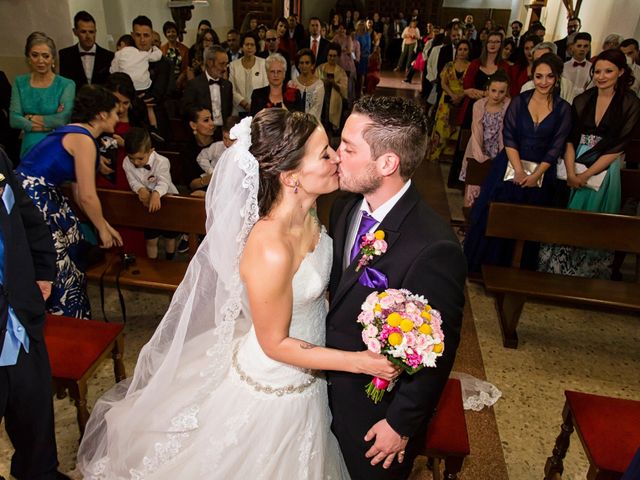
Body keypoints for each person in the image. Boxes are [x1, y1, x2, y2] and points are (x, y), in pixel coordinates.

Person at [77, 109, 399, 478]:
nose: (337, 157)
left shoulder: (309, 216)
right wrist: (359, 361)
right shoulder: (270, 246)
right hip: (276, 384)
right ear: (291, 176)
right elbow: (275, 343)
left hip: (311, 375)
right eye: (325, 153)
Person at [327, 95, 466, 479]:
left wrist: (401, 424)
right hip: (325, 387)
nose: (336, 155)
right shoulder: (344, 207)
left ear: (387, 163)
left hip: (374, 416)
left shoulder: (433, 246)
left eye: (349, 148)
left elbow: (438, 348)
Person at [15, 85, 123, 318]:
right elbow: (86, 194)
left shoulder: (73, 132)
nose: (118, 117)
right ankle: (66, 320)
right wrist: (102, 230)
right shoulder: (83, 139)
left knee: (71, 247)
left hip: (34, 195)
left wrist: (104, 224)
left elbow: (78, 194)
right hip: (36, 199)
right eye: (115, 112)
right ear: (101, 114)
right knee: (60, 266)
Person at [464, 53, 572, 273]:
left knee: (529, 224)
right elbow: (510, 135)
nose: (543, 82)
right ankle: (488, 267)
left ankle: (519, 271)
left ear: (557, 78)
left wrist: (536, 175)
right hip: (510, 165)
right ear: (532, 75)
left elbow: (556, 146)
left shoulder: (563, 109)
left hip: (542, 170)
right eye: (539, 76)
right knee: (497, 217)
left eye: (549, 77)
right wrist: (519, 170)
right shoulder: (520, 101)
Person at [538, 49, 640, 278]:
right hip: (574, 161)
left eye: (608, 71)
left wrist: (586, 175)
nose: (601, 76)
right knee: (568, 215)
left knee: (593, 218)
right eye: (598, 71)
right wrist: (573, 172)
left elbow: (618, 146)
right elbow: (570, 139)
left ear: (621, 72)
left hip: (605, 167)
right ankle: (558, 269)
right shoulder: (583, 99)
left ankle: (587, 273)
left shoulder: (630, 103)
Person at [0, 147, 69, 480]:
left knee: (34, 410)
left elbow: (27, 218)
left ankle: (40, 473)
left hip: (20, 314)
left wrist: (43, 270)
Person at [10, 32, 75, 158]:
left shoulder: (66, 84)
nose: (41, 61)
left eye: (45, 56)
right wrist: (49, 123)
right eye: (35, 55)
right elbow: (14, 120)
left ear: (53, 59)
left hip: (57, 145)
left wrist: (29, 117)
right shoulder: (20, 82)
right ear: (28, 58)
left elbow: (63, 119)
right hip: (29, 148)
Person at [123, 127, 179, 260]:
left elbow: (164, 182)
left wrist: (156, 194)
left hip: (167, 199)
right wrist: (140, 189)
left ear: (151, 151)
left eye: (140, 158)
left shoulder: (162, 162)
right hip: (146, 202)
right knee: (151, 238)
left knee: (169, 237)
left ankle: (169, 261)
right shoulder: (126, 162)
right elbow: (132, 181)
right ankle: (151, 264)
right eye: (132, 158)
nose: (135, 163)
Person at [460, 70, 511, 208]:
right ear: (487, 89)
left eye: (501, 92)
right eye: (493, 90)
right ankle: (470, 215)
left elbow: (504, 132)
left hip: (498, 148)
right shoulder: (479, 105)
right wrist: (479, 156)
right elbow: (476, 130)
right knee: (474, 184)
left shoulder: (508, 105)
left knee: (492, 187)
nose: (496, 95)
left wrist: (502, 156)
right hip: (479, 147)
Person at [109, 34, 162, 130]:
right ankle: (153, 128)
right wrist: (155, 48)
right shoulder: (142, 53)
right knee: (148, 108)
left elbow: (113, 70)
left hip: (126, 87)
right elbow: (157, 56)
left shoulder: (119, 54)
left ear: (122, 44)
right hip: (144, 87)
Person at [429, 39, 470, 161]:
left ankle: (450, 156)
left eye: (465, 49)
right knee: (442, 127)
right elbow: (443, 83)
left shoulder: (471, 66)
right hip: (447, 98)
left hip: (462, 100)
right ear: (456, 51)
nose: (462, 52)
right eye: (460, 49)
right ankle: (435, 154)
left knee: (456, 128)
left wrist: (460, 95)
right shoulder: (449, 65)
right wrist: (452, 95)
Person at [183, 45, 232, 133]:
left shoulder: (228, 85)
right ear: (209, 63)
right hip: (202, 134)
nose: (225, 68)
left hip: (222, 134)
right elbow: (187, 110)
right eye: (221, 64)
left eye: (226, 64)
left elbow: (228, 111)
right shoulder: (194, 85)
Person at [59, 10, 114, 89]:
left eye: (91, 32)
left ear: (95, 32)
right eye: (83, 32)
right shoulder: (65, 55)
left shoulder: (109, 56)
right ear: (75, 32)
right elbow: (64, 86)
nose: (88, 36)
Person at [195, 115, 239, 190]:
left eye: (232, 140)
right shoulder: (217, 146)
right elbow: (201, 158)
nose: (227, 142)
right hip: (213, 185)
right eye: (225, 138)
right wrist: (211, 171)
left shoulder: (245, 153)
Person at [228, 32, 267, 117]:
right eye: (247, 44)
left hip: (259, 111)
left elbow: (265, 87)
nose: (249, 47)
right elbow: (232, 89)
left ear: (256, 48)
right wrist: (245, 104)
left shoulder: (263, 63)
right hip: (238, 110)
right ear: (242, 47)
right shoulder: (233, 65)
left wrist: (254, 107)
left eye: (252, 45)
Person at [316, 43, 348, 134]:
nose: (332, 58)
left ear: (337, 57)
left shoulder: (341, 72)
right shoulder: (320, 68)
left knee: (330, 129)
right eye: (330, 55)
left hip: (335, 100)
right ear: (327, 56)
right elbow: (314, 83)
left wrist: (334, 84)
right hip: (321, 99)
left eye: (334, 56)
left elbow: (344, 89)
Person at [182, 106, 216, 193]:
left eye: (212, 119)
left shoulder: (221, 141)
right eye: (206, 120)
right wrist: (208, 179)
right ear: (193, 125)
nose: (212, 123)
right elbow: (191, 184)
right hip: (200, 192)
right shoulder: (188, 150)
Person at [292, 48, 325, 122]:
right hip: (295, 124)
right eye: (301, 63)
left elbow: (317, 108)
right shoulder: (292, 84)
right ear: (298, 65)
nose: (304, 65)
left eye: (307, 63)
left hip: (313, 124)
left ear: (312, 65)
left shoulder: (319, 85)